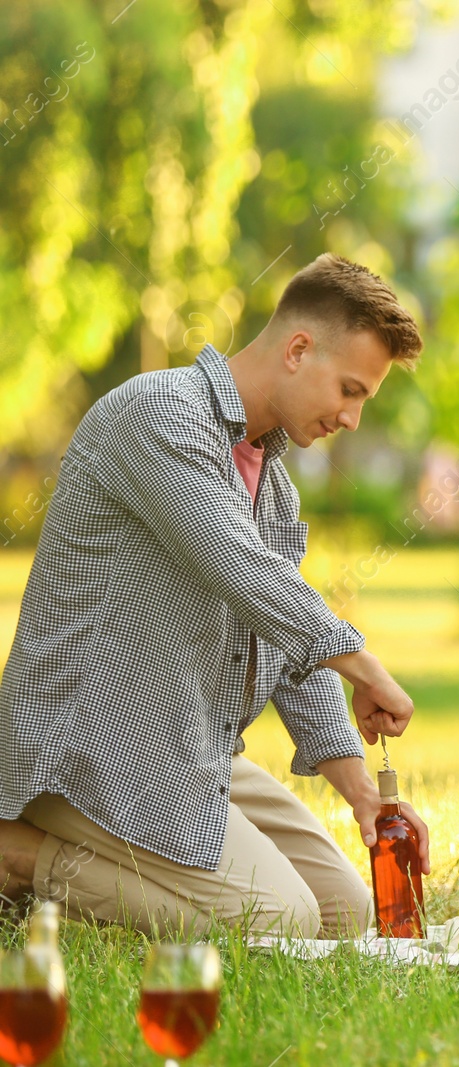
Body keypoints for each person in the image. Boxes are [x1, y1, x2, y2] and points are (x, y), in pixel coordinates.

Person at [0, 254, 430, 939]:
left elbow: (287, 640)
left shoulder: (274, 484)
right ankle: (22, 856)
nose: (351, 417)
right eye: (349, 389)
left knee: (344, 915)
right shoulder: (158, 414)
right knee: (279, 922)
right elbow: (241, 568)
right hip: (88, 752)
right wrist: (360, 659)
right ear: (297, 349)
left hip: (188, 751)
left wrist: (362, 797)